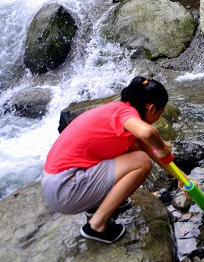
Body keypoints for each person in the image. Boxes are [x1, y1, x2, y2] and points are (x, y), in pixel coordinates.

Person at [42, 76, 175, 244]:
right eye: (160, 114)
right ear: (152, 108)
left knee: (135, 151)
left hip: (57, 182)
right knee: (141, 161)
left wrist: (183, 179)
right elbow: (148, 135)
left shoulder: (118, 110)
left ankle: (96, 205)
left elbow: (155, 153)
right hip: (64, 188)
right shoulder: (127, 115)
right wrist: (162, 145)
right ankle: (96, 226)